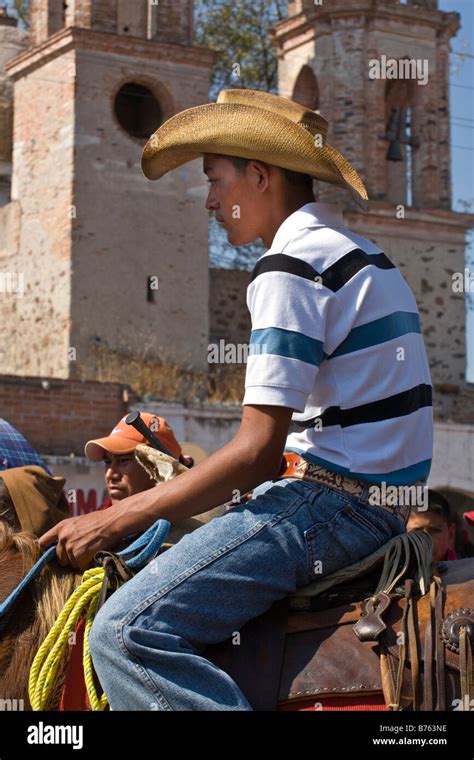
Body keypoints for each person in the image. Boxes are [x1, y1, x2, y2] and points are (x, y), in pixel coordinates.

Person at [39, 88, 433, 710]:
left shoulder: (290, 264)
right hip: (370, 503)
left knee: (125, 631)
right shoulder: (362, 254)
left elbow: (254, 452)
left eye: (215, 179)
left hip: (331, 506)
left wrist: (114, 517)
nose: (210, 201)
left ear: (259, 173)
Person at [84, 412, 198, 509]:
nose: (110, 474)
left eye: (123, 461)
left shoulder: (188, 527)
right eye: (107, 462)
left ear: (159, 468)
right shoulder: (97, 520)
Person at [407, 489, 457, 562]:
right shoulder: (388, 570)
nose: (426, 540)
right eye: (416, 531)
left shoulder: (468, 571)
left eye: (435, 530)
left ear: (451, 535)